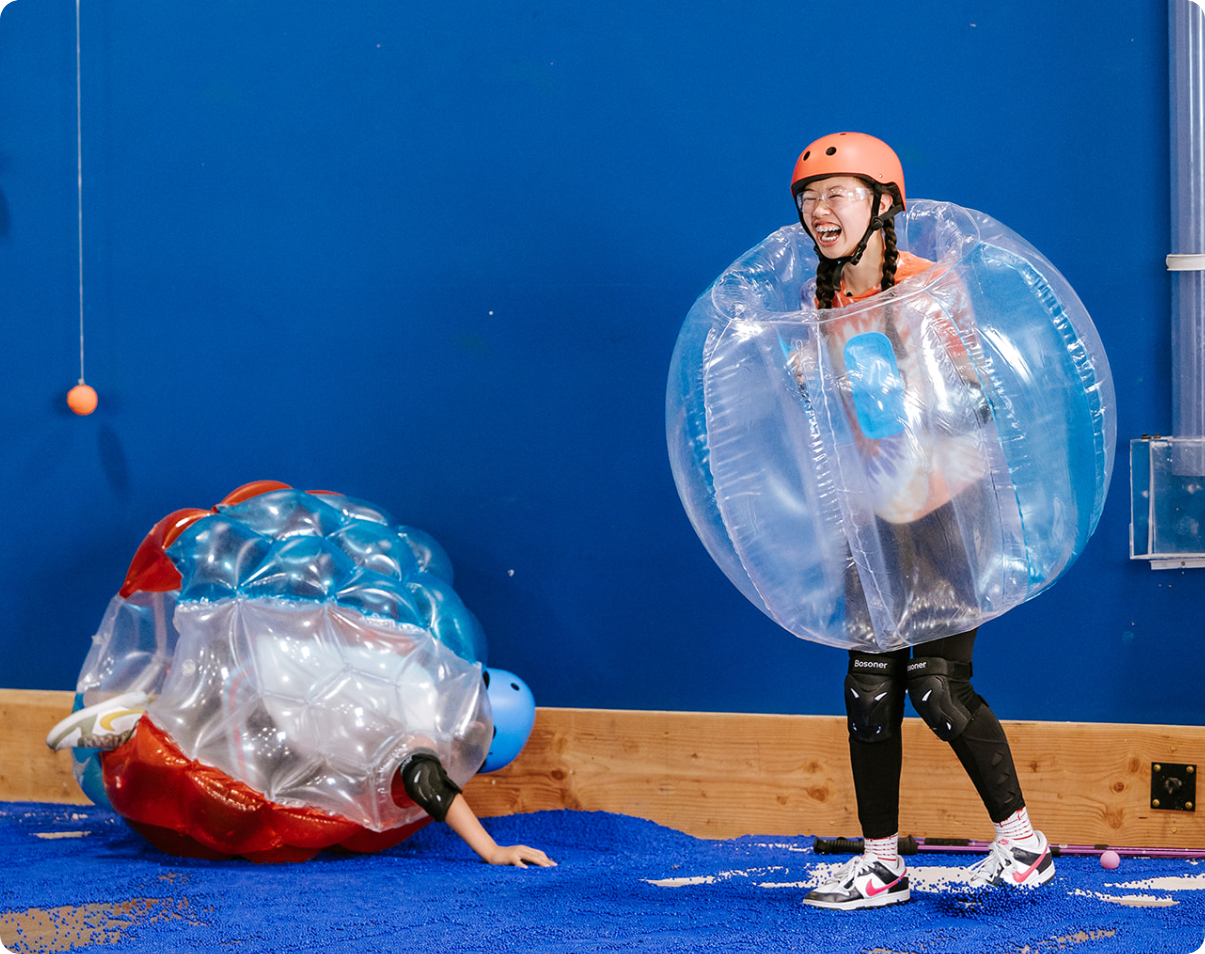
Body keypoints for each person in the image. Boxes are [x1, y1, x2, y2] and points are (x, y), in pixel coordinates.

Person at [787, 132, 1053, 910]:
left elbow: (966, 402)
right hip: (872, 511)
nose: (818, 210)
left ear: (882, 205)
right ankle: (881, 863)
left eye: (836, 194)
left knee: (934, 685)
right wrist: (811, 372)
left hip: (943, 503)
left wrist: (912, 350)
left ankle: (1022, 845)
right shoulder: (817, 301)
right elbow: (852, 420)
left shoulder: (930, 288)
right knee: (868, 687)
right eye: (808, 197)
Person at [47, 685, 555, 869]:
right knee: (218, 777)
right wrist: (491, 849)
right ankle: (135, 729)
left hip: (293, 724)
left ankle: (149, 714)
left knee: (213, 738)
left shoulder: (422, 699)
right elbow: (429, 784)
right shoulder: (424, 745)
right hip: (293, 756)